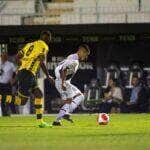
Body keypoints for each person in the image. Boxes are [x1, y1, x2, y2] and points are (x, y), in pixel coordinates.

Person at [14, 31, 54, 128]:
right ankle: (2, 98)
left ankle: (40, 122)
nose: (50, 39)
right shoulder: (44, 46)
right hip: (27, 74)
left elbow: (17, 57)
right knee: (22, 102)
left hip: (27, 73)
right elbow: (41, 62)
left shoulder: (29, 44)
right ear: (46, 37)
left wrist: (22, 65)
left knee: (38, 94)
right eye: (50, 37)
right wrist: (48, 76)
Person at [52, 44, 90, 126]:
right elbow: (63, 70)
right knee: (69, 100)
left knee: (80, 96)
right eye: (85, 54)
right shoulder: (74, 61)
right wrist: (62, 83)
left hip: (64, 81)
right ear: (80, 51)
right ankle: (58, 120)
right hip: (62, 81)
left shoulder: (73, 57)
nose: (85, 57)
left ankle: (65, 113)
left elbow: (62, 67)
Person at [0, 52, 16, 116]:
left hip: (7, 84)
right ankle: (4, 113)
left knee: (8, 99)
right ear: (1, 56)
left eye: (6, 56)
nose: (4, 57)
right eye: (3, 56)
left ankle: (7, 112)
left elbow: (16, 72)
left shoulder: (11, 64)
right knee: (1, 100)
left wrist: (14, 79)